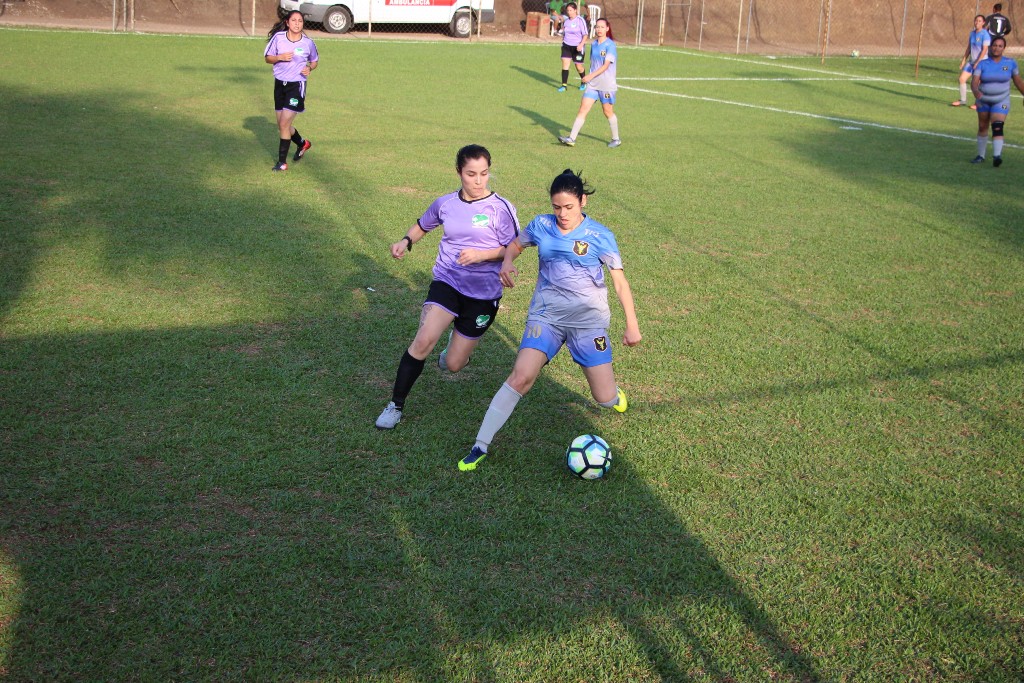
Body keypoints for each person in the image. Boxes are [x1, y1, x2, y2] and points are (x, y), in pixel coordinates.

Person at [458, 169, 641, 471]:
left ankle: (614, 395)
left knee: (605, 398)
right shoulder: (541, 225)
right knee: (520, 376)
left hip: (587, 323)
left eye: (569, 207)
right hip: (546, 317)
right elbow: (516, 245)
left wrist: (631, 325)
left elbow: (620, 283)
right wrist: (506, 262)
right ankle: (480, 445)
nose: (562, 213)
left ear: (583, 201)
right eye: (557, 207)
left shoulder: (600, 236)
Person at [375, 145, 520, 430]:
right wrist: (406, 241)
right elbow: (423, 224)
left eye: (484, 174)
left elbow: (514, 247)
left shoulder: (500, 208)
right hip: (448, 281)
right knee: (423, 340)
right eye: (471, 174)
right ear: (458, 172)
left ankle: (453, 355)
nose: (478, 181)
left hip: (483, 294)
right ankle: (395, 405)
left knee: (453, 365)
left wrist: (484, 256)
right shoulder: (446, 203)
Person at [264, 11, 318, 172]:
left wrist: (309, 68)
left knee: (284, 124)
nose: (297, 23)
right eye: (293, 20)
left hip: (297, 86)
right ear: (287, 23)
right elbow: (268, 58)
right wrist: (279, 57)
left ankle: (282, 163)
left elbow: (314, 61)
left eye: (300, 21)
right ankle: (302, 143)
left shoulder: (308, 43)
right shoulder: (279, 38)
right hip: (280, 85)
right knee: (282, 126)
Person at [559, 18, 621, 148]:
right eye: (597, 27)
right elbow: (594, 64)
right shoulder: (594, 44)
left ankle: (616, 139)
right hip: (593, 84)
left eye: (602, 27)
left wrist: (589, 76)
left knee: (607, 111)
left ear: (607, 28)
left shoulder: (610, 45)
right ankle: (571, 138)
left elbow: (605, 66)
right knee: (582, 109)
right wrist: (591, 78)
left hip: (606, 84)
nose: (599, 29)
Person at [971, 35, 1024, 166]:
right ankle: (981, 155)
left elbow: (1018, 81)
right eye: (995, 45)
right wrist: (976, 91)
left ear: (1004, 48)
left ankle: (996, 156)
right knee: (983, 126)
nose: (997, 48)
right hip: (983, 100)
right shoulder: (983, 64)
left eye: (1000, 46)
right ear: (991, 47)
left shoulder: (1010, 63)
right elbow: (974, 82)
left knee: (997, 125)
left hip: (1001, 100)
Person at [952, 15, 991, 108]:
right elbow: (969, 47)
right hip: (971, 62)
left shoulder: (985, 34)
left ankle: (979, 103)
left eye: (979, 21)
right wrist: (963, 60)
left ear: (983, 23)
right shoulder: (972, 34)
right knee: (962, 79)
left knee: (977, 84)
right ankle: (963, 100)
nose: (977, 22)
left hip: (981, 63)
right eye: (976, 21)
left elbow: (984, 50)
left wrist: (978, 62)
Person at [556, 3, 589, 93]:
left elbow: (585, 34)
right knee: (565, 64)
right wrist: (561, 32)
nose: (569, 12)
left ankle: (584, 82)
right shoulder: (566, 21)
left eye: (571, 10)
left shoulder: (580, 20)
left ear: (575, 10)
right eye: (568, 11)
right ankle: (564, 85)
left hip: (577, 47)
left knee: (578, 66)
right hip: (566, 46)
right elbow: (565, 32)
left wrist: (581, 45)